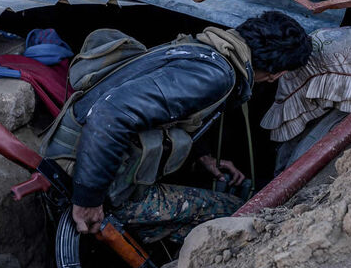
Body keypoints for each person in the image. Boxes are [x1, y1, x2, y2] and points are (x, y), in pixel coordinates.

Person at [40, 12, 312, 246]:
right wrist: (88, 199)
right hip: (80, 174)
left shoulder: (203, 49)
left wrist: (203, 156)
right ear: (277, 72)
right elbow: (111, 113)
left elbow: (170, 113)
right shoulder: (215, 74)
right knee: (238, 215)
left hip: (73, 153)